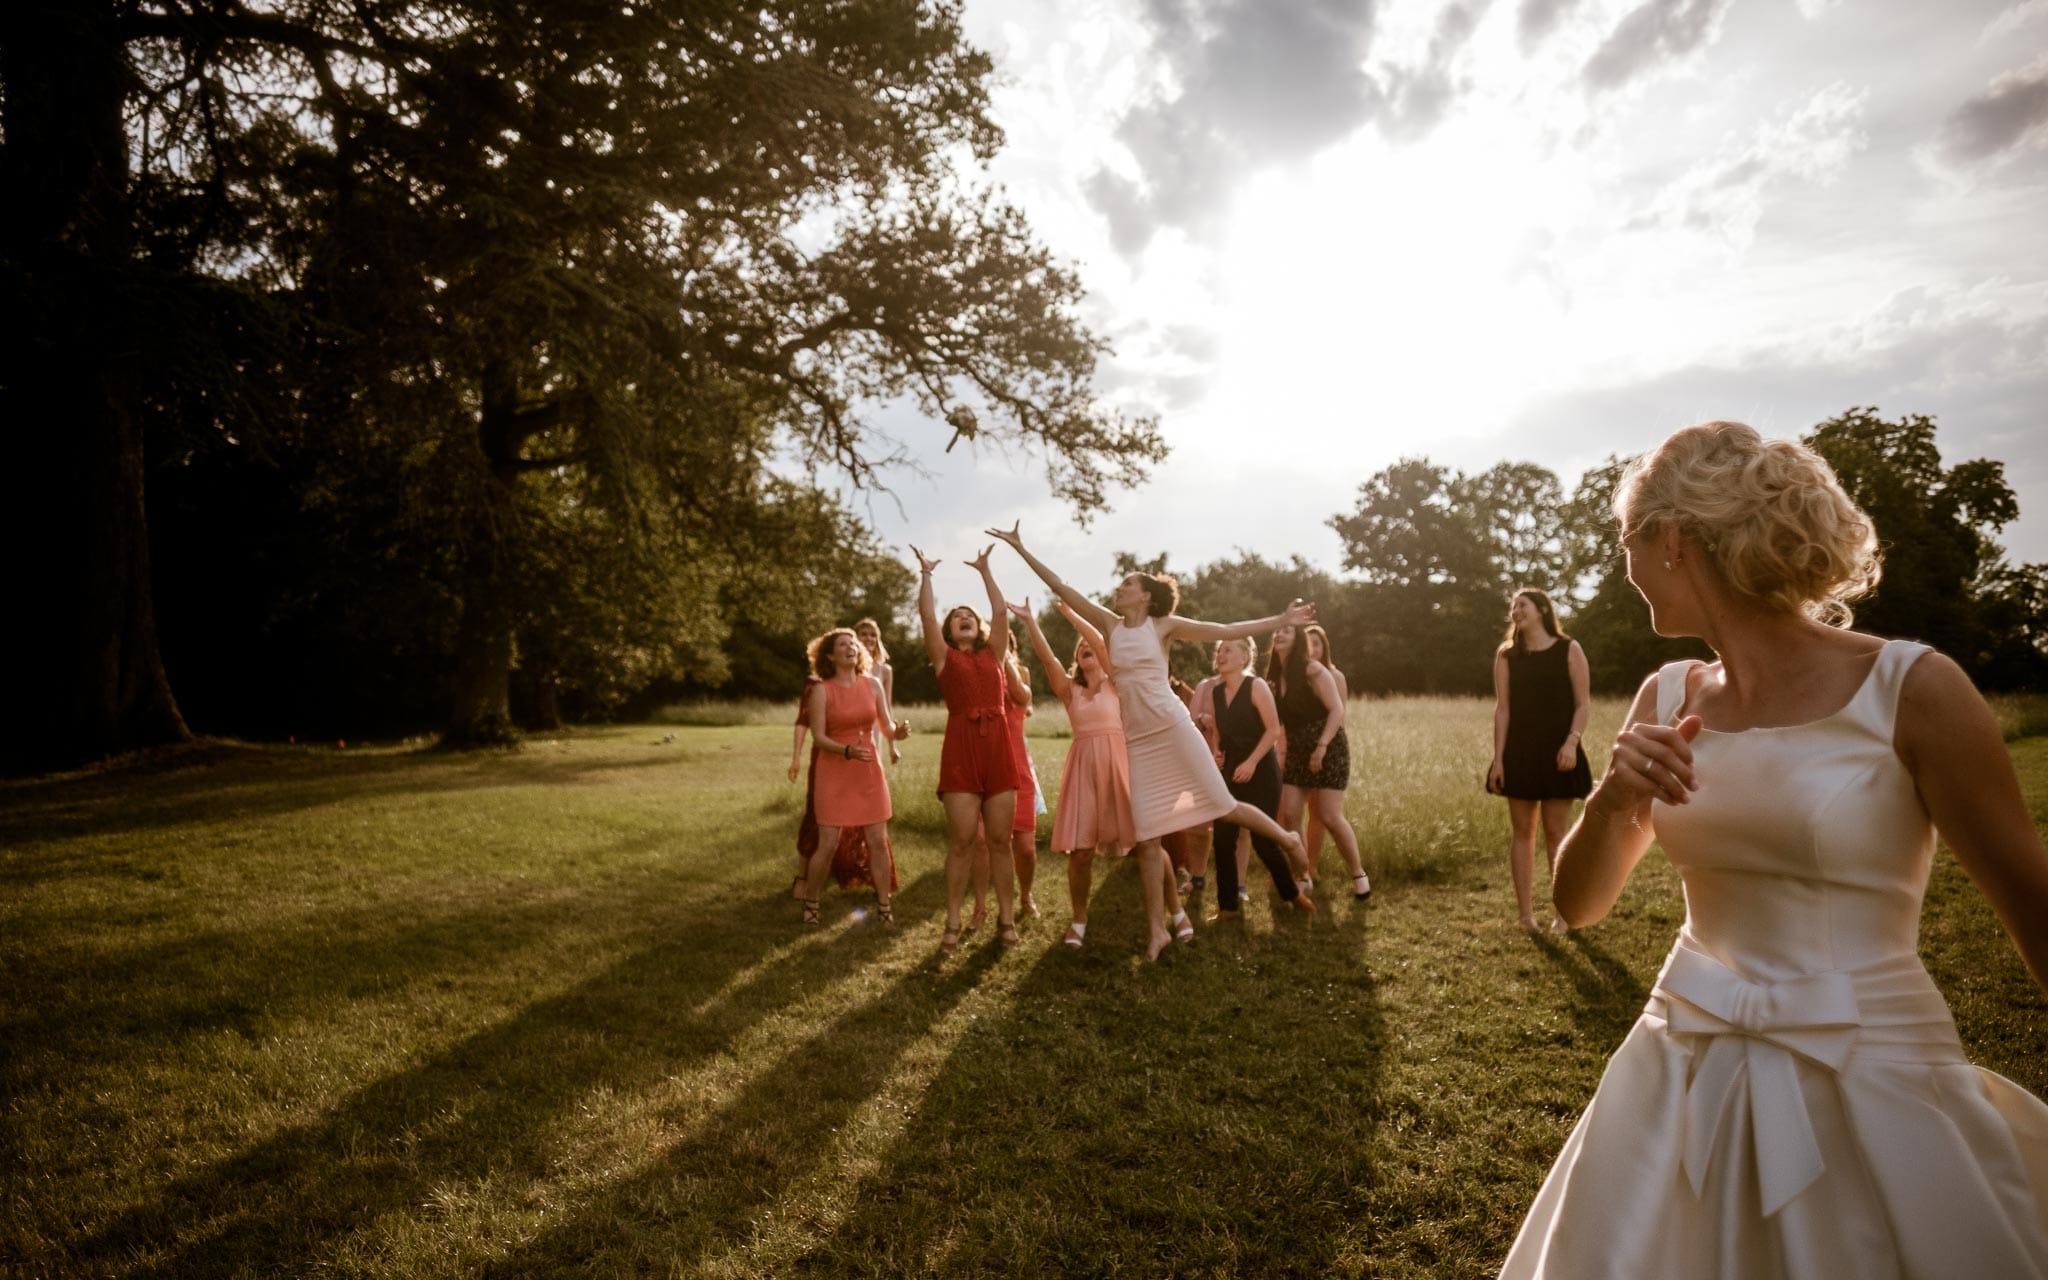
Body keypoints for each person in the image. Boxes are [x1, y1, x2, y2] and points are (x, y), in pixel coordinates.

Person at [1501, 421, 2048, 1278]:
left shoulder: (1913, 689)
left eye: (1627, 541)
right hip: (1677, 1066)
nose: (1625, 564)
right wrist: (1613, 799)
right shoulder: (1667, 692)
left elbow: (2037, 913)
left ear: (1674, 540)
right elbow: (1578, 906)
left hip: (1872, 1071)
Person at [988, 523, 1314, 960]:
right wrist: (1021, 548)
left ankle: (1288, 841)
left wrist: (1281, 620)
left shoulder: (1164, 626)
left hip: (1174, 728)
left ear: (1145, 595)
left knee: (1223, 804)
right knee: (1146, 838)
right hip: (1139, 741)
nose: (1119, 588)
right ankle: (1157, 931)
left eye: (1127, 584)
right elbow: (1060, 586)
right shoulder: (1109, 623)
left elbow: (1226, 626)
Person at [913, 544, 1022, 952]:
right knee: (961, 842)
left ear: (980, 629)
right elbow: (926, 615)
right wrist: (926, 574)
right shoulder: (943, 658)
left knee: (999, 841)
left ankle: (1006, 919)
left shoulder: (994, 654)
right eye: (956, 617)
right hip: (961, 747)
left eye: (969, 616)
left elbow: (1000, 614)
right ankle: (953, 921)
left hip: (997, 747)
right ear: (948, 629)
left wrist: (985, 571)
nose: (964, 619)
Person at [1012, 599, 1139, 947]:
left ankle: (1172, 911)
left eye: (1090, 647)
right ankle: (1079, 920)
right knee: (1081, 853)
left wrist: (1070, 615)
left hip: (1119, 766)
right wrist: (1030, 621)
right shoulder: (1070, 691)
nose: (1086, 649)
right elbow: (1047, 659)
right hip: (1084, 768)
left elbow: (1099, 640)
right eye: (1079, 648)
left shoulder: (1116, 683)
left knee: (1144, 845)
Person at [1486, 589, 1591, 931]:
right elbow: (1503, 710)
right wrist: (1498, 760)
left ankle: (1563, 913)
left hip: (1561, 750)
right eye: (1513, 606)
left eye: (1522, 605)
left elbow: (1583, 704)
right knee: (1522, 832)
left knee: (1556, 831)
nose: (1515, 611)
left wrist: (1571, 744)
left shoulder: (1568, 649)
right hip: (1519, 752)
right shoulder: (1507, 656)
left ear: (1542, 610)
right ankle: (1527, 916)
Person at [1191, 636, 1311, 918]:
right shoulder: (1216, 692)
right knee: (1222, 837)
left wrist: (1251, 763)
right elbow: (1221, 731)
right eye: (1219, 650)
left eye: (1228, 650)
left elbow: (1272, 731)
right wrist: (1219, 750)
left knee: (1263, 841)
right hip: (1230, 768)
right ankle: (1228, 907)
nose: (1220, 655)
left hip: (1261, 769)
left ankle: (1293, 894)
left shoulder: (1255, 686)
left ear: (1245, 658)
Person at [797, 628, 904, 926]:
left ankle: (884, 904)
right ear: (830, 655)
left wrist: (899, 733)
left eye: (854, 644)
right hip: (834, 772)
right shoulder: (821, 689)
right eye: (843, 644)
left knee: (878, 841)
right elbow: (818, 737)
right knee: (828, 842)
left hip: (868, 770)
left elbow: (886, 726)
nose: (852, 647)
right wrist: (845, 751)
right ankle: (812, 900)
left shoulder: (873, 685)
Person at [1270, 623, 1372, 900]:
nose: (1279, 635)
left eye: (1287, 632)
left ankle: (1359, 875)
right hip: (1296, 749)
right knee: (1290, 813)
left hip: (1328, 745)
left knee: (1329, 816)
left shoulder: (1313, 669)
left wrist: (1322, 746)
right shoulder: (1274, 675)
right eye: (1277, 631)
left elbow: (1337, 709)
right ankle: (1303, 874)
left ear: (1298, 639)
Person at [854, 616, 904, 766]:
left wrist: (892, 746)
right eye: (863, 634)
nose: (868, 638)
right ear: (855, 638)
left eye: (873, 635)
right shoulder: (847, 666)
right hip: (849, 723)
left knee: (870, 767)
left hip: (873, 726)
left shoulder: (885, 670)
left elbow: (887, 708)